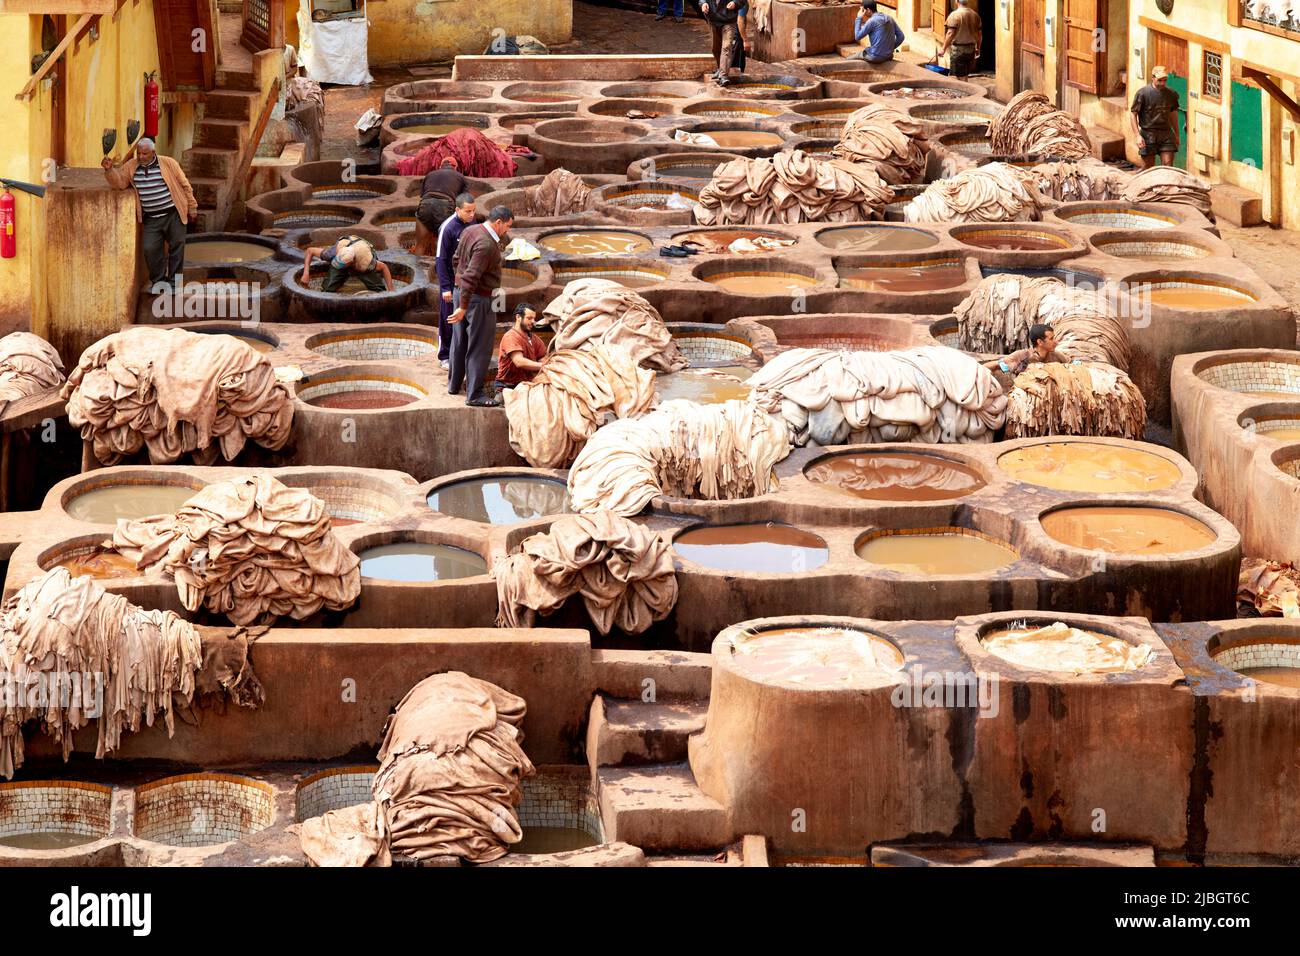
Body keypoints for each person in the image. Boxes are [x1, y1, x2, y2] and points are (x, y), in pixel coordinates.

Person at [100, 138, 198, 290]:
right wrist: (109, 170)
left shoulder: (168, 163)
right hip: (152, 218)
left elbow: (185, 185)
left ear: (153, 152)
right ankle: (159, 282)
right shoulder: (131, 166)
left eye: (145, 153)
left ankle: (175, 284)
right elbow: (120, 183)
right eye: (139, 153)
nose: (141, 157)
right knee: (150, 249)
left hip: (174, 214)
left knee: (177, 249)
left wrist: (192, 207)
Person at [448, 205, 515, 407]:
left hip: (462, 294)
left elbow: (457, 260)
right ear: (498, 223)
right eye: (507, 226)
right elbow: (471, 276)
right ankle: (474, 394)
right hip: (478, 299)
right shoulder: (487, 245)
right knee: (479, 346)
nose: (507, 231)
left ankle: (454, 384)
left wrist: (459, 295)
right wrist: (464, 307)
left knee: (459, 342)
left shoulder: (470, 230)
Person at [433, 193, 481, 369]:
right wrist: (445, 287)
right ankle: (444, 355)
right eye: (468, 211)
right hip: (450, 283)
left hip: (467, 282)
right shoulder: (448, 228)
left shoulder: (473, 223)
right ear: (457, 210)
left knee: (466, 317)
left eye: (474, 211)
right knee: (448, 318)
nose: (471, 215)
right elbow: (440, 259)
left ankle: (462, 353)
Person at [983, 324, 1077, 388]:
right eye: (1051, 339)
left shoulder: (1056, 355)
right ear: (1040, 342)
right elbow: (994, 365)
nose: (1056, 342)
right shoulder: (1022, 356)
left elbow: (1073, 365)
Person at [412, 157, 469, 256]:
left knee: (420, 245)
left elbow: (422, 195)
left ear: (440, 166)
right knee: (441, 245)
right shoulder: (460, 177)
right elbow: (465, 201)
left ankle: (418, 270)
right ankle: (438, 269)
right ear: (455, 167)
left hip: (425, 204)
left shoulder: (430, 175)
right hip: (445, 205)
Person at [301, 235, 394, 293]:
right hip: (349, 246)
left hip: (362, 252)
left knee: (379, 289)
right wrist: (306, 273)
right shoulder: (334, 252)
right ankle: (337, 281)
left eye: (341, 265)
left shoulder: (366, 263)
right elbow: (310, 251)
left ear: (350, 263)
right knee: (327, 289)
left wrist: (391, 290)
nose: (338, 265)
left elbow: (384, 267)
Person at [1131, 66, 1181, 169]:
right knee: (1148, 167)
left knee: (1167, 166)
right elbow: (1133, 114)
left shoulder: (1171, 94)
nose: (1162, 83)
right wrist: (1137, 136)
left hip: (1166, 133)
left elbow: (1173, 114)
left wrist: (1177, 134)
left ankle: (1165, 185)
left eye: (1165, 80)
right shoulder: (1142, 94)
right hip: (1148, 133)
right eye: (1160, 80)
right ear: (1153, 78)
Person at [495, 303, 548, 400]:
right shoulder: (510, 336)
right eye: (529, 318)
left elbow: (543, 358)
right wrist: (544, 366)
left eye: (534, 319)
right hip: (508, 387)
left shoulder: (535, 339)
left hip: (527, 385)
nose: (533, 322)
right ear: (518, 317)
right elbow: (519, 362)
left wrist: (546, 364)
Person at [695, 0, 746, 86]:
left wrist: (735, 3)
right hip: (713, 20)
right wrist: (703, 3)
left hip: (729, 21)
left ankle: (723, 76)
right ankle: (721, 69)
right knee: (715, 48)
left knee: (726, 47)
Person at [940, 0, 982, 79]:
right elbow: (979, 34)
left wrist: (943, 49)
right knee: (965, 75)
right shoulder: (975, 15)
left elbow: (950, 33)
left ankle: (964, 91)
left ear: (957, 1)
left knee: (958, 78)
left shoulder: (955, 15)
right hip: (971, 49)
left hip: (958, 51)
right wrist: (978, 48)